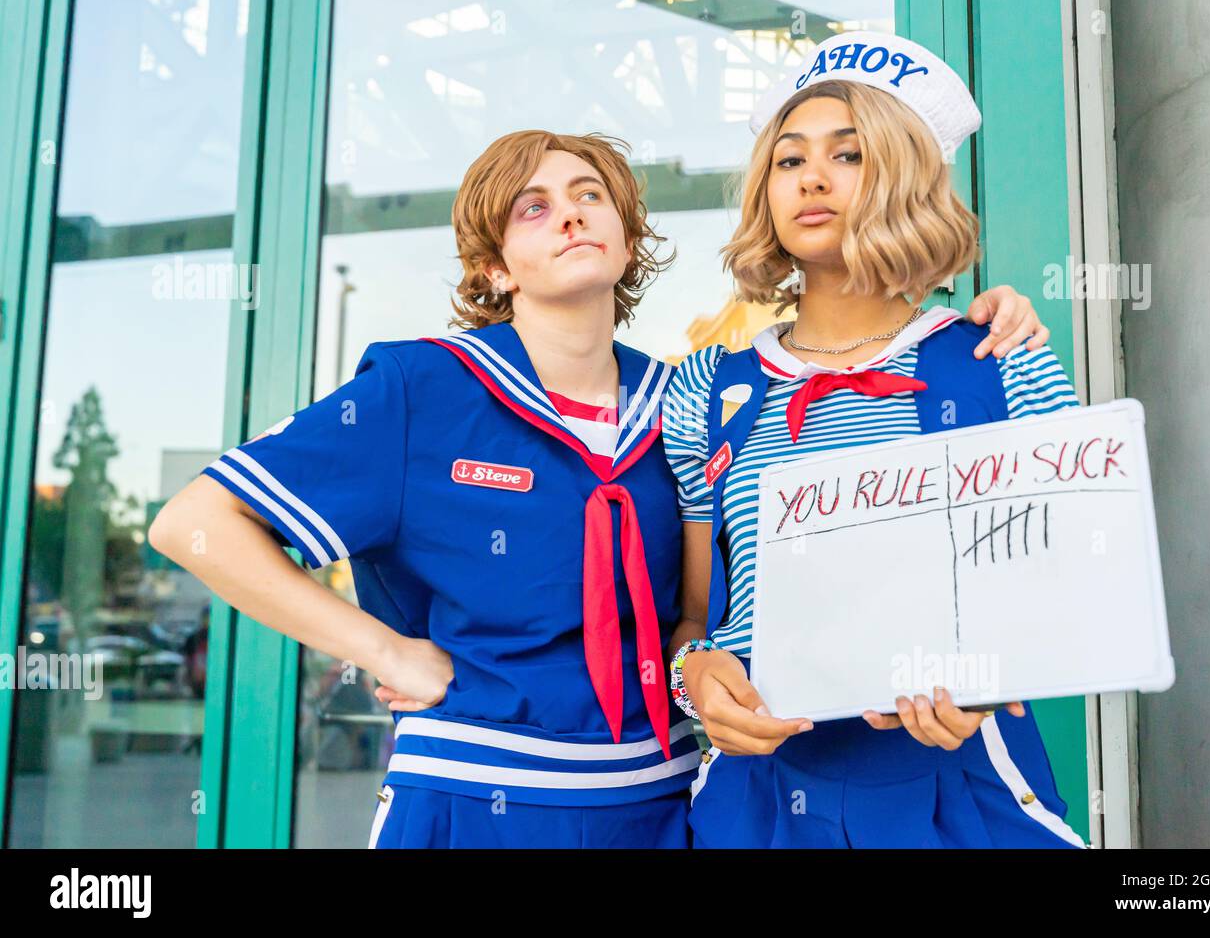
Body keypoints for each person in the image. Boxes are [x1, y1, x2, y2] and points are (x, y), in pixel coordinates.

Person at [150, 122, 1053, 849]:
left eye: (590, 198)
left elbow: (709, 607)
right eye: (534, 208)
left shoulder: (686, 401)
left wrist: (978, 321)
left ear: (629, 240)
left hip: (661, 804)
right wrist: (383, 652)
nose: (571, 215)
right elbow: (195, 524)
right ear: (495, 268)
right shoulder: (421, 392)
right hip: (476, 798)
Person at [662, 31, 1088, 849]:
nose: (813, 178)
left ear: (902, 177)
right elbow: (693, 622)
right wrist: (693, 681)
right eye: (789, 161)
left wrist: (989, 680)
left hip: (964, 782)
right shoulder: (704, 390)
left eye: (849, 155)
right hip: (757, 797)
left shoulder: (1000, 362)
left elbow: (1064, 593)